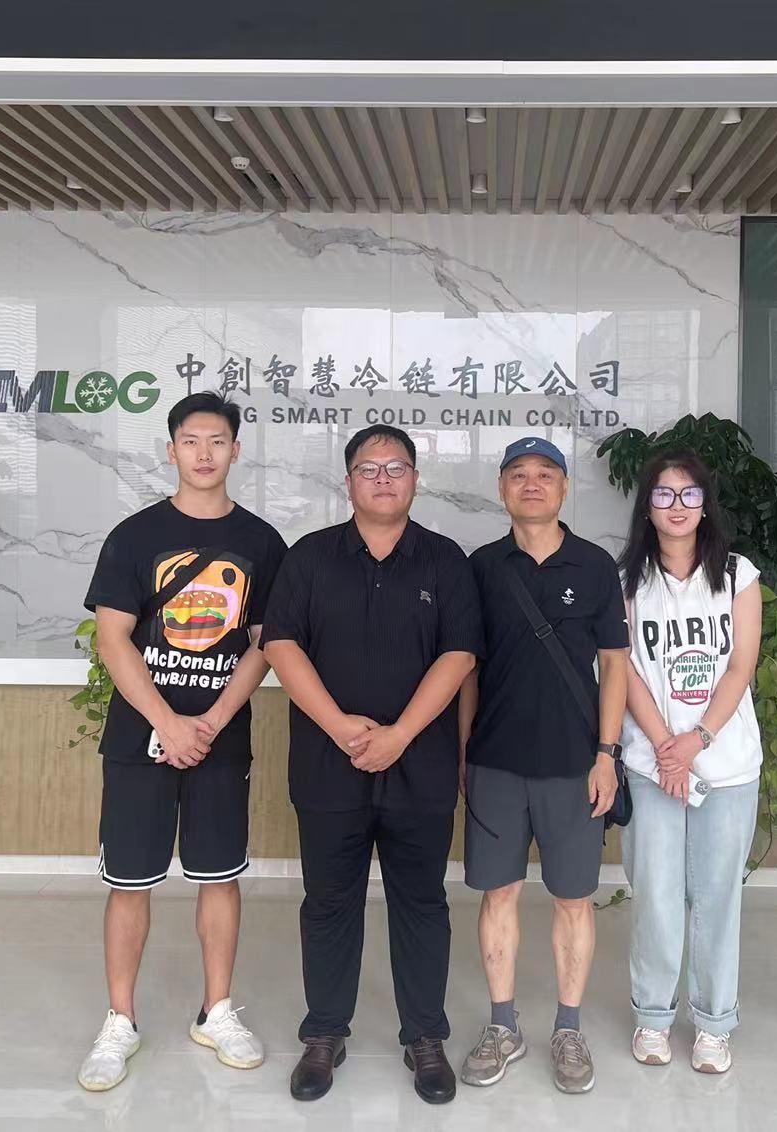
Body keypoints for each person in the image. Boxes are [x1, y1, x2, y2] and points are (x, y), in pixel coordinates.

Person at [261, 424, 482, 1106]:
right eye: (368, 468)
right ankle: (324, 1033)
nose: (383, 478)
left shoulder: (445, 560)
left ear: (415, 479)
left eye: (396, 467)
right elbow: (281, 645)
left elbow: (459, 654)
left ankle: (425, 1037)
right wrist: (338, 726)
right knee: (330, 902)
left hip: (422, 766)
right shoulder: (309, 557)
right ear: (348, 481)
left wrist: (401, 735)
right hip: (329, 765)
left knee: (422, 902)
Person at [75, 391, 288, 1092]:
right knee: (129, 881)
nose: (204, 453)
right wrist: (167, 723)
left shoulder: (262, 543)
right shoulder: (134, 537)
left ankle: (216, 1010)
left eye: (217, 441)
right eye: (191, 441)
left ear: (236, 450)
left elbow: (264, 645)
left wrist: (213, 721)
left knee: (219, 876)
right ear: (170, 450)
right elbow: (113, 638)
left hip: (220, 738)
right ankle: (119, 1020)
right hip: (140, 737)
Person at [458, 437, 630, 1097]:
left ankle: (568, 1028)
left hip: (574, 765)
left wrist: (607, 755)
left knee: (573, 898)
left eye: (546, 474)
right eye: (519, 474)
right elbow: (466, 669)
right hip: (496, 764)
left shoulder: (595, 566)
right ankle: (502, 1025)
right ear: (502, 488)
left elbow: (614, 665)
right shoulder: (480, 567)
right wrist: (464, 755)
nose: (532, 484)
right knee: (498, 894)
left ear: (563, 488)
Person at [617, 450, 763, 1076]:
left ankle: (712, 1023)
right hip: (651, 765)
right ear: (646, 505)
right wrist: (665, 748)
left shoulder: (737, 574)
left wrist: (696, 740)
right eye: (663, 494)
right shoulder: (625, 579)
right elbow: (622, 667)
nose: (676, 506)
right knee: (655, 894)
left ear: (706, 504)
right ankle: (653, 1016)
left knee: (716, 897)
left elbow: (741, 665)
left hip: (725, 763)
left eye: (689, 494)